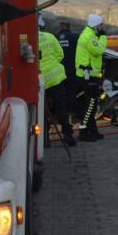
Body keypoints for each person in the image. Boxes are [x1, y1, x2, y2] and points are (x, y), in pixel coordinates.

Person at [39, 17, 76, 147]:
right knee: (61, 107)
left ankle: (44, 139)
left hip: (41, 80)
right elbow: (60, 55)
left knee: (42, 111)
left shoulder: (30, 39)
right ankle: (68, 135)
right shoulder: (50, 36)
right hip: (55, 78)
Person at [75, 13, 108, 142]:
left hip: (88, 75)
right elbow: (99, 50)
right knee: (90, 105)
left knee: (90, 105)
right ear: (96, 25)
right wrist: (104, 36)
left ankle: (92, 131)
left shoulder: (89, 34)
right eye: (101, 25)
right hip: (88, 76)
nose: (102, 27)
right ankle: (83, 132)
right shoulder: (89, 36)